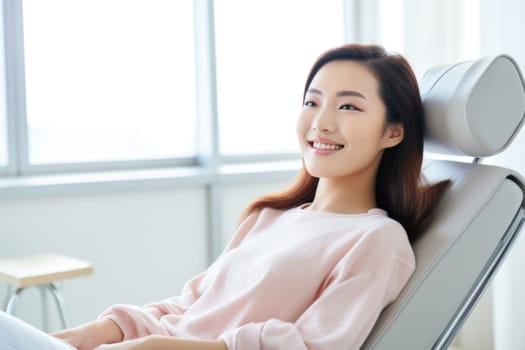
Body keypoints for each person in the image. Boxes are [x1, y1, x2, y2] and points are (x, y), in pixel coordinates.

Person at [0, 43, 449, 350]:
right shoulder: (270, 218)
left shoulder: (378, 240)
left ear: (393, 132)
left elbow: (313, 346)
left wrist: (163, 347)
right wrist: (94, 332)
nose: (321, 122)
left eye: (348, 106)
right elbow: (187, 308)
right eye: (312, 102)